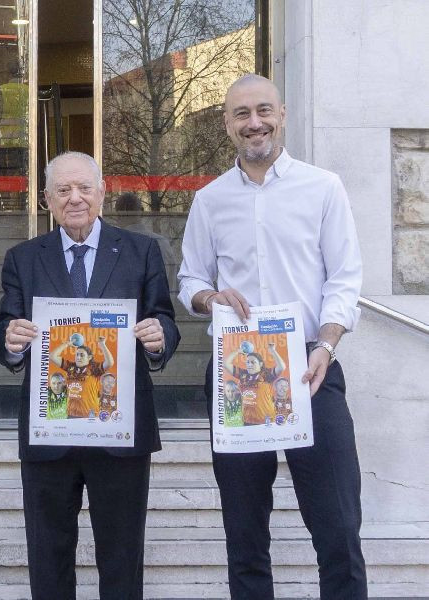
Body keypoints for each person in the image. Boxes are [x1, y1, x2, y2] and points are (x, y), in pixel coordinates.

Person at [177, 73, 365, 598]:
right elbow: (190, 279)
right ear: (226, 124)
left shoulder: (323, 187)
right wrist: (209, 298)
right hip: (237, 371)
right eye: (242, 114)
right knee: (244, 534)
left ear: (281, 114)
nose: (254, 122)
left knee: (338, 528)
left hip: (310, 366)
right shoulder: (210, 199)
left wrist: (326, 345)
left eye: (263, 110)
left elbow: (344, 278)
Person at [0, 151, 179, 599]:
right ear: (46, 199)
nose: (75, 198)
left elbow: (165, 319)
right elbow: (4, 331)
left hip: (120, 430)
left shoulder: (141, 251)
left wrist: (159, 337)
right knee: (48, 556)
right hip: (50, 430)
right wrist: (12, 342)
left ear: (102, 192)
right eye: (63, 190)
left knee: (122, 558)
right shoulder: (23, 258)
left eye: (84, 188)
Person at [51, 336, 113, 418]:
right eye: (77, 355)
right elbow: (52, 356)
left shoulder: (94, 368)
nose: (78, 357)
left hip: (89, 415)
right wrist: (67, 344)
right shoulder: (70, 367)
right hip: (71, 414)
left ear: (89, 357)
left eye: (82, 355)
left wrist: (102, 345)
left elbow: (109, 363)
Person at [224, 342, 285, 425]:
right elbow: (225, 364)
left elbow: (282, 367)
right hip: (248, 421)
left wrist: (273, 351)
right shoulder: (243, 374)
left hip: (266, 421)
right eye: (247, 362)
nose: (249, 365)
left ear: (260, 364)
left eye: (253, 362)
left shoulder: (266, 374)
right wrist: (238, 351)